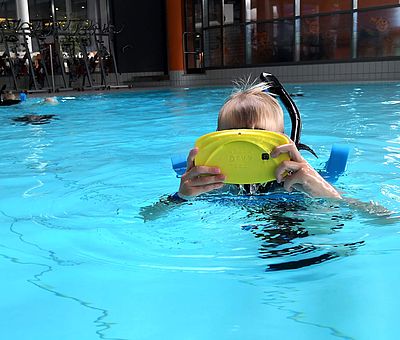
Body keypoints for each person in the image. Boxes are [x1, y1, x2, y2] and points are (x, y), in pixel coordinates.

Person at [177, 83, 341, 201]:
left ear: (283, 142)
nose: (247, 150)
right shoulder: (209, 185)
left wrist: (322, 190)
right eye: (235, 140)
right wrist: (182, 196)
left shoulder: (299, 181)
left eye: (259, 139)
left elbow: (357, 215)